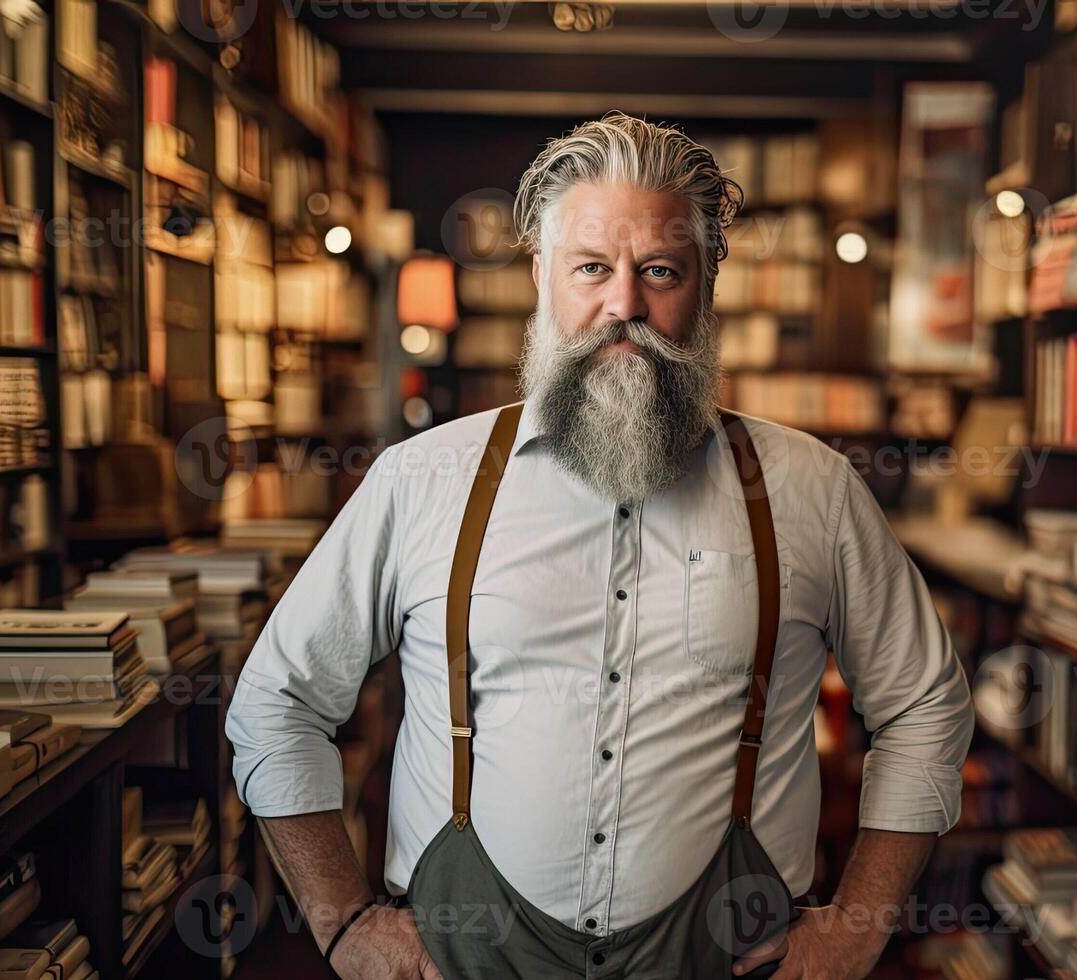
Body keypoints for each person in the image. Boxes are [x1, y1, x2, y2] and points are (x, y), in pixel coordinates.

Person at [225, 111, 972, 980]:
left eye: (660, 270)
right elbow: (276, 704)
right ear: (540, 274)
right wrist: (344, 921)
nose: (624, 303)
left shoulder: (813, 490)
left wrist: (857, 925)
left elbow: (925, 707)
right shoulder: (418, 481)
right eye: (591, 267)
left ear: (704, 286)